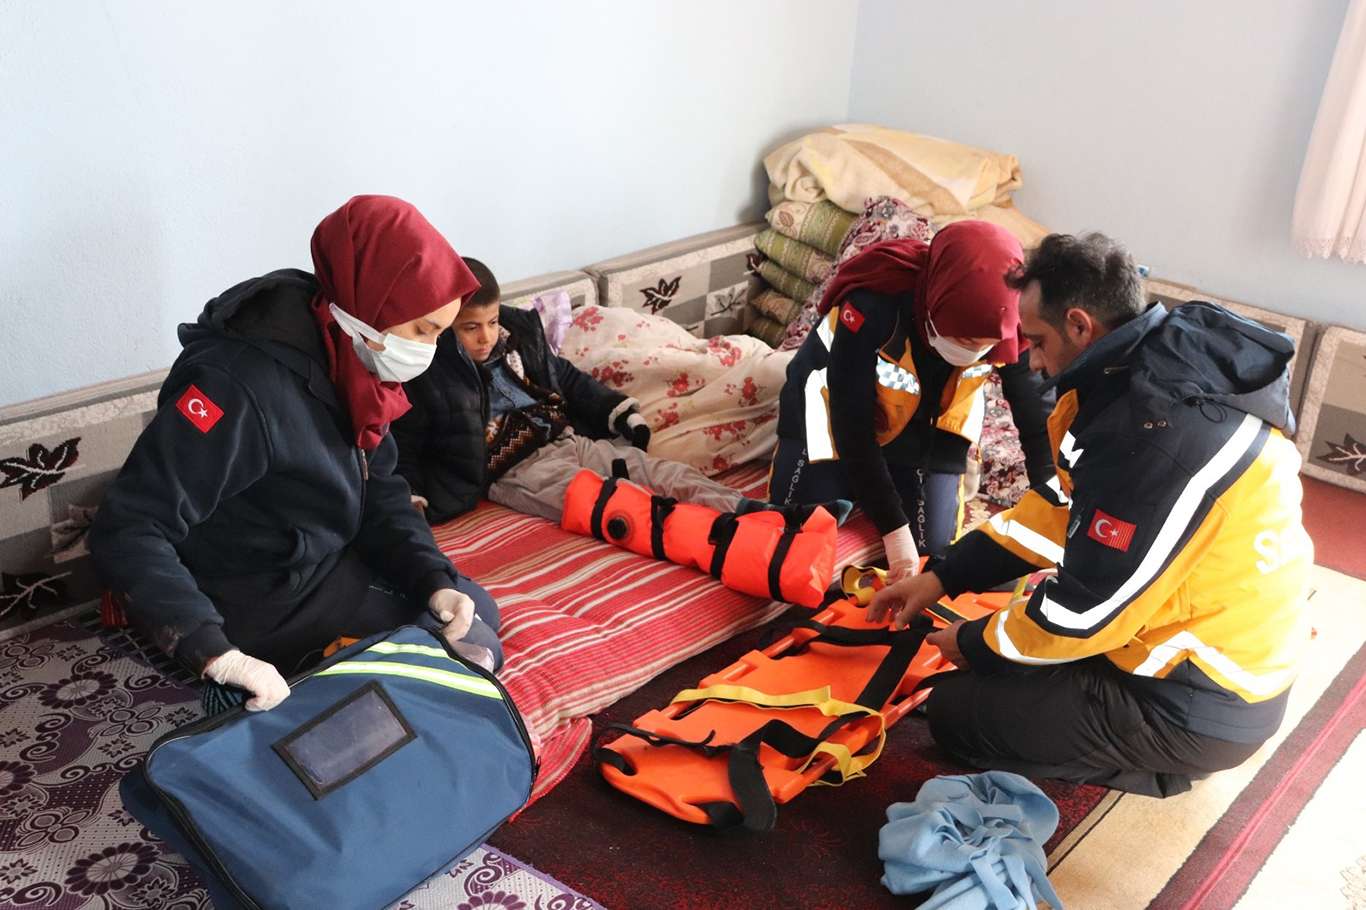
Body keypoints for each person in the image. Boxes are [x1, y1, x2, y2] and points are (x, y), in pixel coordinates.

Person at [870, 232, 1312, 796]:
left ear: (1079, 325)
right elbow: (1062, 506)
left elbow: (1086, 609)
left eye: (1037, 340)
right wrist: (944, 575)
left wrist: (976, 642)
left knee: (957, 712)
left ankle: (1169, 766)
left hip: (1204, 696)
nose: (1031, 360)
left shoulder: (1152, 438)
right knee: (1015, 647)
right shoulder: (1134, 377)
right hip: (1199, 634)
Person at [89, 195, 503, 712]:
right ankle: (278, 688)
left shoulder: (354, 360)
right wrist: (212, 651)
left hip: (320, 564)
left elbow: (380, 489)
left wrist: (431, 578)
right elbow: (130, 524)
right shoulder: (235, 388)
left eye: (441, 332)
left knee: (471, 614)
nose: (431, 350)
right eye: (424, 330)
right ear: (376, 303)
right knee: (463, 656)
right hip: (253, 595)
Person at [392, 259, 850, 526]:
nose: (485, 336)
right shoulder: (431, 374)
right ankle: (732, 535)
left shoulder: (517, 337)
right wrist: (410, 494)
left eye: (491, 322)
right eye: (470, 328)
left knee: (660, 472)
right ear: (443, 327)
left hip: (565, 439)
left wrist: (619, 411)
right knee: (620, 505)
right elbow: (406, 440)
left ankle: (763, 513)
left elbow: (567, 378)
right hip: (516, 473)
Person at [770, 221, 1054, 581]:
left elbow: (1037, 419)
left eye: (985, 345)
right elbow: (850, 418)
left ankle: (883, 485)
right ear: (935, 303)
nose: (973, 352)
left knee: (930, 550)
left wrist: (1053, 507)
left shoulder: (1011, 321)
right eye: (964, 340)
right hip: (827, 415)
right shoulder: (873, 302)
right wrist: (893, 528)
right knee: (797, 529)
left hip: (930, 427)